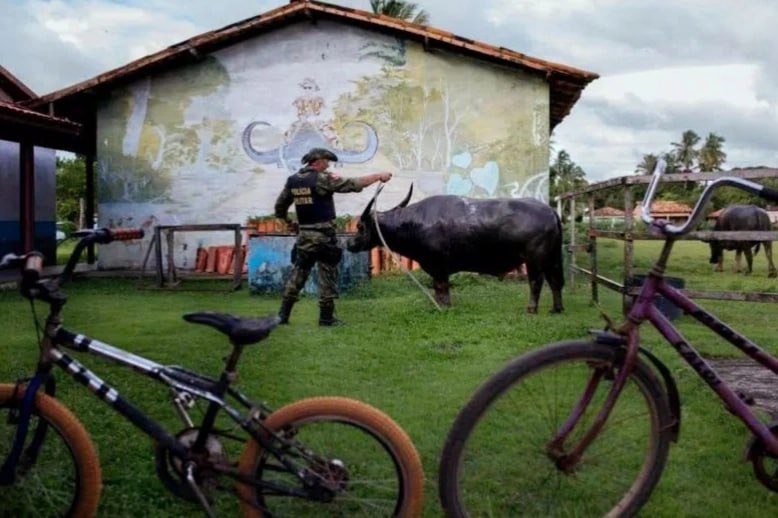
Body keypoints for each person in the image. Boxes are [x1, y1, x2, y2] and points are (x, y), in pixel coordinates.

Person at [274, 147, 392, 326]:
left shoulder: (294, 181)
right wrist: (379, 176)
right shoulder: (322, 179)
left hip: (304, 237)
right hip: (323, 237)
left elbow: (280, 206)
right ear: (317, 161)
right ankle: (326, 318)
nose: (328, 165)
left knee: (298, 273)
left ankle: (283, 315)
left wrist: (289, 222)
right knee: (327, 274)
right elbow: (353, 184)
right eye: (326, 161)